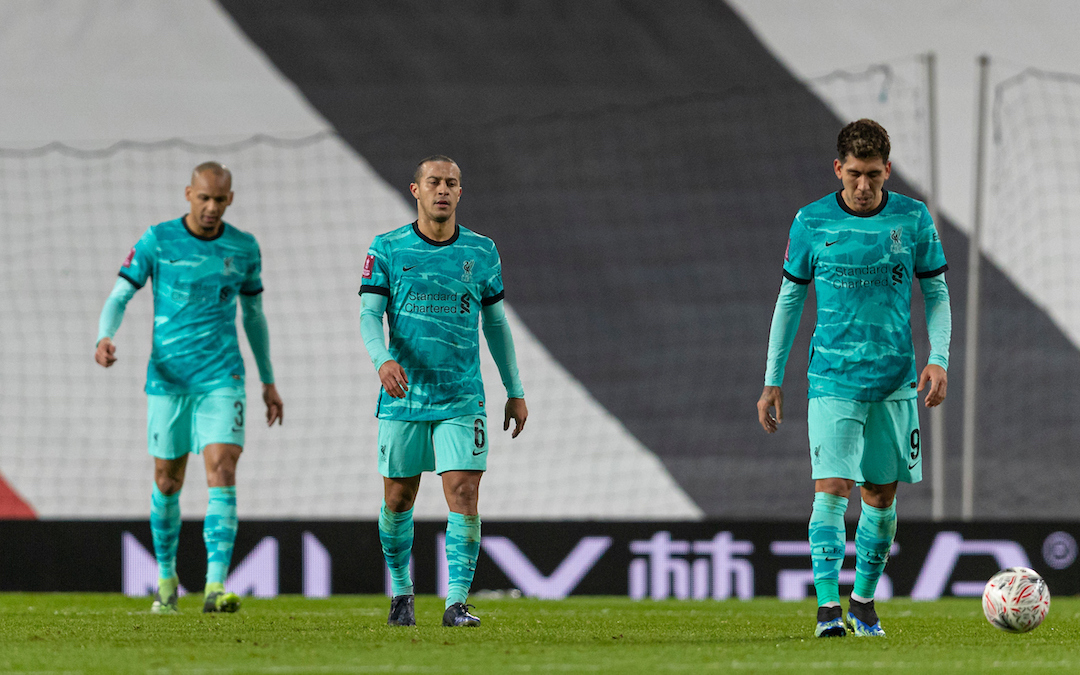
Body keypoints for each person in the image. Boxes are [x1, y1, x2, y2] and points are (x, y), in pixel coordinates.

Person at [757, 119, 951, 637]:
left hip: (894, 381)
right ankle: (826, 610)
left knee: (881, 498)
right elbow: (790, 299)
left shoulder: (912, 219)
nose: (863, 187)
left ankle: (863, 602)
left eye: (873, 176)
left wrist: (941, 358)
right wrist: (772, 378)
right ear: (837, 169)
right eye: (854, 175)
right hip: (832, 378)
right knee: (832, 488)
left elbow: (936, 292)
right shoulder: (811, 222)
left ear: (888, 170)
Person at [95, 162, 283, 614]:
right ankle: (165, 580)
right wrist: (105, 335)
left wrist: (268, 379)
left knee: (222, 468)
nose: (211, 207)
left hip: (223, 378)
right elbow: (121, 293)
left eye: (220, 199)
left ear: (230, 200)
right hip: (168, 381)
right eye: (204, 198)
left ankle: (216, 586)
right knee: (167, 480)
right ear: (189, 195)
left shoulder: (243, 248)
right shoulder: (157, 240)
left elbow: (253, 317)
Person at [359, 155, 528, 628]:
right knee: (398, 500)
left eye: (451, 183)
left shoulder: (481, 251)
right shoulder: (388, 248)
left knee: (465, 492)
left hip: (461, 396)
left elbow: (495, 323)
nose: (443, 190)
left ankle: (456, 603)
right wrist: (382, 359)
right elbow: (370, 315)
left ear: (459, 192)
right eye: (433, 182)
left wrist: (514, 389)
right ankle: (401, 592)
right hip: (404, 396)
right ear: (415, 190)